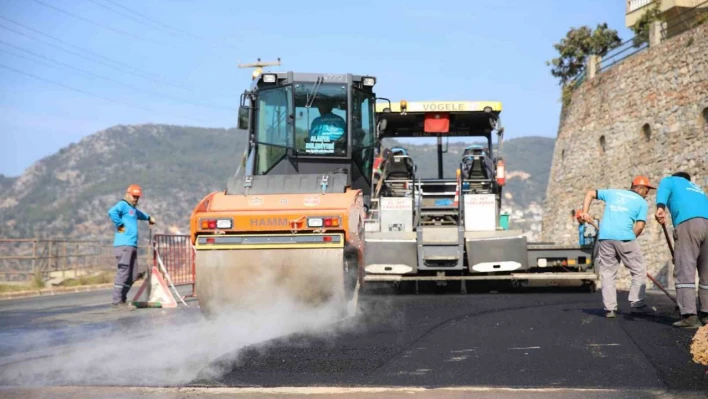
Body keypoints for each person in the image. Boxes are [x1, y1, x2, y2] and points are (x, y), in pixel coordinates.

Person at [578, 176, 655, 318]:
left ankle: (610, 309)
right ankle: (637, 304)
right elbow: (639, 226)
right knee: (639, 270)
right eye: (647, 189)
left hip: (606, 238)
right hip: (626, 238)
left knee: (608, 273)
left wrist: (585, 212)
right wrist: (630, 240)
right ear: (639, 188)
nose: (647, 193)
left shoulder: (613, 193)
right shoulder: (642, 203)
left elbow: (589, 193)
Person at [654, 172, 708, 328]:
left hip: (689, 224)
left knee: (685, 268)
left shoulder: (671, 180)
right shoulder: (697, 188)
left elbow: (663, 188)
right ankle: (706, 313)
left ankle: (690, 316)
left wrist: (660, 207)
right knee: (706, 272)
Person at [107, 184, 155, 310]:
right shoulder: (123, 204)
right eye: (134, 196)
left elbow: (140, 214)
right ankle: (117, 302)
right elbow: (112, 212)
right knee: (123, 272)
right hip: (123, 245)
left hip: (132, 245)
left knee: (133, 275)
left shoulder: (132, 209)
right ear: (128, 194)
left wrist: (149, 218)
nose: (135, 199)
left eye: (137, 197)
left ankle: (122, 300)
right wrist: (120, 224)